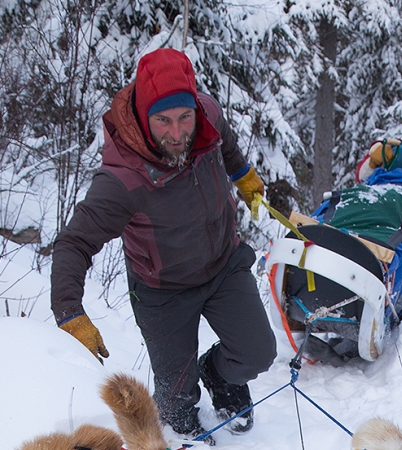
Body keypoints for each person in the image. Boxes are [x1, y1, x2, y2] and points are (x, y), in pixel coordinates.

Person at [49, 48, 276, 445]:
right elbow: (75, 241)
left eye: (184, 117)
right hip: (163, 288)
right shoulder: (124, 178)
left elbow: (225, 146)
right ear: (143, 116)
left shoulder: (207, 114)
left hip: (223, 264)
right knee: (174, 394)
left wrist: (244, 175)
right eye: (163, 121)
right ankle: (184, 429)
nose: (177, 132)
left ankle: (219, 376)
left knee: (258, 353)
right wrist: (70, 312)